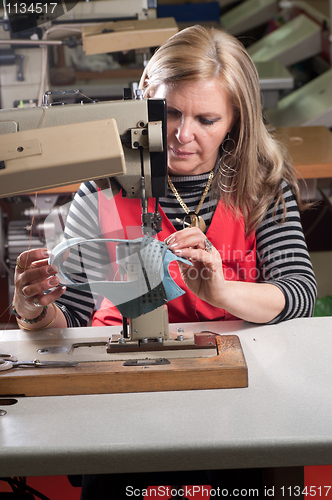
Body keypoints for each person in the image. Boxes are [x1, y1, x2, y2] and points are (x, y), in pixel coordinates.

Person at [12, 25, 316, 498]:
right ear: (141, 101)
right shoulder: (101, 191)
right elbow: (68, 314)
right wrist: (34, 309)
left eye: (207, 120)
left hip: (239, 397)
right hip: (123, 396)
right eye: (168, 112)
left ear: (235, 121)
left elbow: (299, 293)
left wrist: (221, 292)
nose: (181, 134)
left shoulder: (260, 187)